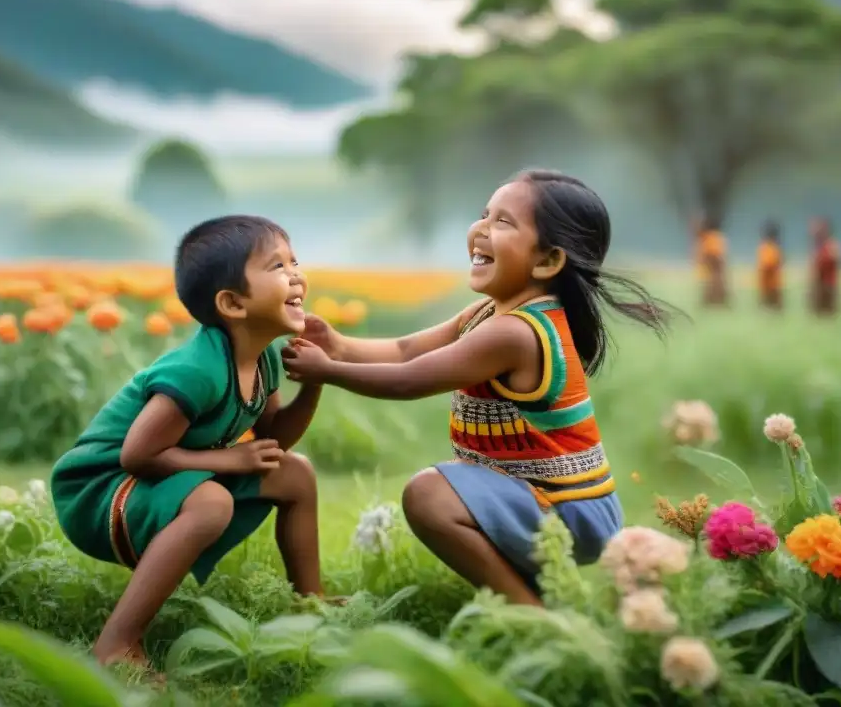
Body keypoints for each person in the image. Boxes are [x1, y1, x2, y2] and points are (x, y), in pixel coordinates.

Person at [283, 170, 674, 606]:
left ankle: (527, 613)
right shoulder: (488, 314)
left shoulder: (514, 334)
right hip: (544, 498)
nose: (481, 229)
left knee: (429, 494)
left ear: (546, 261)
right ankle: (532, 595)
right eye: (484, 214)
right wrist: (338, 345)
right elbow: (406, 348)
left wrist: (328, 370)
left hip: (567, 508)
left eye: (503, 222)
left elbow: (410, 379)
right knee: (443, 489)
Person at [50, 215, 330, 671]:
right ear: (233, 304)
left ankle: (312, 602)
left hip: (170, 471)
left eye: (294, 260)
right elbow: (137, 455)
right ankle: (116, 643)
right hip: (99, 489)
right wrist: (230, 459)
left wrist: (315, 383)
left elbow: (272, 440)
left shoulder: (264, 361)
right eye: (277, 266)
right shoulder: (195, 372)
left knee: (295, 473)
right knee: (211, 503)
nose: (296, 273)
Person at [809, 218, 841, 317]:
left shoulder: (832, 245)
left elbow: (838, 260)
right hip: (818, 286)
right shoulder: (816, 246)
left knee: (828, 314)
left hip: (828, 285)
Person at [696, 216, 729, 307]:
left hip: (714, 268)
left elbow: (713, 255)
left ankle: (713, 301)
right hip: (715, 268)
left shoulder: (711, 238)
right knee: (715, 283)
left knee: (713, 284)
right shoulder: (717, 237)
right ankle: (716, 301)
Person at [756, 221, 783, 311]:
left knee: (771, 307)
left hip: (771, 284)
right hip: (769, 284)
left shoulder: (769, 247)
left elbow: (768, 264)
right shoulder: (772, 247)